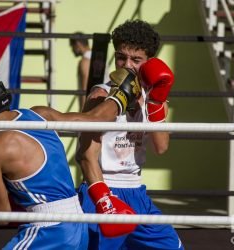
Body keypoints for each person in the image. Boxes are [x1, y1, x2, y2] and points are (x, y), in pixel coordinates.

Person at [0, 74, 140, 250]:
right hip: (78, 222)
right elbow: (95, 119)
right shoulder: (39, 114)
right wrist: (123, 93)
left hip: (49, 228)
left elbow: (2, 214)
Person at [76, 20, 184, 249]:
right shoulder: (99, 96)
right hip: (102, 190)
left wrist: (155, 103)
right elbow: (86, 156)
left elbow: (161, 147)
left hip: (137, 192)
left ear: (149, 62)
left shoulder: (155, 97)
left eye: (136, 60)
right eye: (121, 57)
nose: (126, 65)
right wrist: (105, 201)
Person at [69, 32, 109, 110]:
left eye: (72, 46)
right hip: (104, 102)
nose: (72, 50)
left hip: (92, 105)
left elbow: (85, 89)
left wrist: (83, 111)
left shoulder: (85, 61)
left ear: (78, 44)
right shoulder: (100, 58)